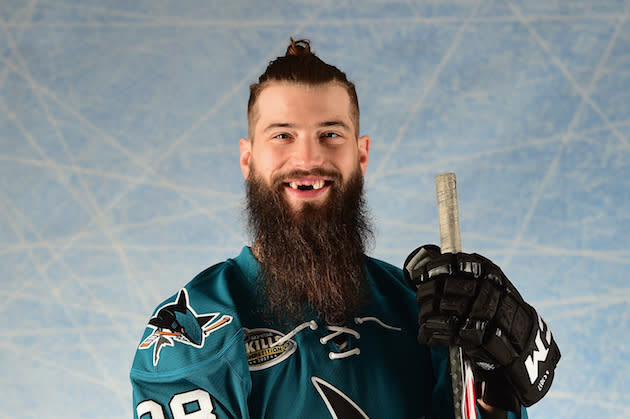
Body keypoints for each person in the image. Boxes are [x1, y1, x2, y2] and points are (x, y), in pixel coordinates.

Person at [130, 39, 560, 419]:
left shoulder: (422, 309)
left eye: (330, 134)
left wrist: (490, 390)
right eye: (282, 136)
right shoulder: (194, 327)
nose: (307, 158)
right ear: (248, 160)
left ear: (361, 155)